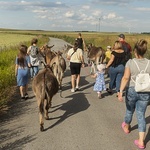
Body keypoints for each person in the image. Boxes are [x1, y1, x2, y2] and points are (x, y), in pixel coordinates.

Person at [118, 39, 150, 149]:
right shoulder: (149, 63)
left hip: (132, 90)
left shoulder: (130, 62)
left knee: (129, 110)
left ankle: (126, 127)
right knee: (141, 115)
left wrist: (120, 91)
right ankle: (141, 141)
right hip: (145, 92)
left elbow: (126, 78)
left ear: (135, 51)